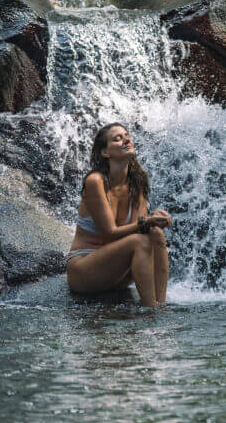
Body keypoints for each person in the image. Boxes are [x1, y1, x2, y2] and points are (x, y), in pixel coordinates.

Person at [66, 122, 172, 307]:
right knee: (140, 241)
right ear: (105, 152)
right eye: (117, 138)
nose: (126, 140)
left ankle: (160, 304)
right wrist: (147, 221)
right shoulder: (95, 181)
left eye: (127, 135)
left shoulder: (137, 181)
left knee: (155, 234)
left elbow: (140, 227)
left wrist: (154, 219)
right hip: (85, 269)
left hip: (117, 272)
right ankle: (150, 309)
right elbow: (110, 232)